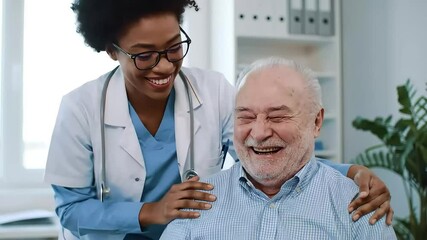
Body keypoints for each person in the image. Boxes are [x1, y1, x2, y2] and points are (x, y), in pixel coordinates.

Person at [44, 1, 392, 239]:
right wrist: (152, 212)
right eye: (145, 55)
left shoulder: (212, 90)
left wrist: (351, 173)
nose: (164, 66)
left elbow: (264, 154)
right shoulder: (81, 108)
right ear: (111, 51)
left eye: (173, 47)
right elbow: (72, 210)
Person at [160, 57, 397, 239]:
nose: (260, 132)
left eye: (277, 117)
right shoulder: (196, 204)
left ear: (316, 122)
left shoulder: (359, 205)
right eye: (246, 117)